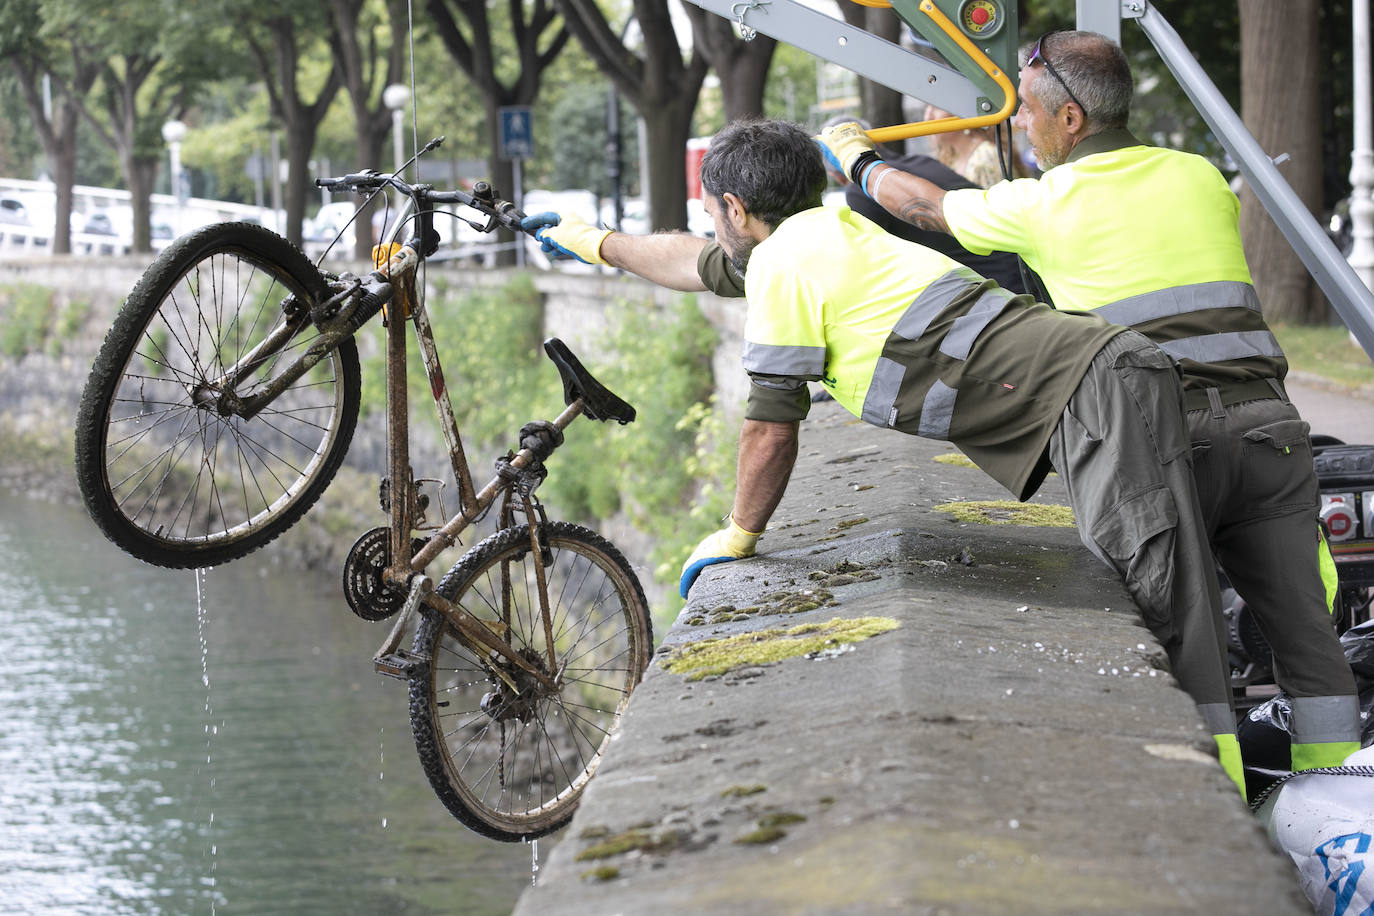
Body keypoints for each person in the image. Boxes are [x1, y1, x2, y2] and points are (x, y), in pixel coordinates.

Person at [525, 117, 1247, 794]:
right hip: (1105, 383)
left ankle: (1219, 807)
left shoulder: (783, 265)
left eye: (714, 213)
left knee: (1168, 605)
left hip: (1101, 393)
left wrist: (740, 533)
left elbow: (771, 428)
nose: (713, 227)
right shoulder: (826, 234)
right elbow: (696, 262)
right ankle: (1223, 789)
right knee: (1168, 598)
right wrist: (597, 242)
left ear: (737, 209)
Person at [815, 30, 1361, 776]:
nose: (1019, 125)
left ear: (1069, 119)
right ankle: (1337, 803)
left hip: (1163, 440)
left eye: (1029, 111)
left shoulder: (1045, 203)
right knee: (1310, 646)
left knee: (1188, 647)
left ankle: (1222, 822)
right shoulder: (1200, 176)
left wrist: (855, 156)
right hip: (1272, 430)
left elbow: (925, 209)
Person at [820, 116, 1028, 294]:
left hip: (998, 292)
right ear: (877, 142)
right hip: (1020, 271)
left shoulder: (860, 191)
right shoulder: (922, 162)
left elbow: (873, 268)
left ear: (836, 176)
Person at [923, 103, 1003, 189]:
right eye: (927, 106)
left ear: (961, 112)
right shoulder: (949, 155)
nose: (928, 117)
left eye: (937, 107)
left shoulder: (986, 157)